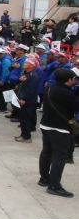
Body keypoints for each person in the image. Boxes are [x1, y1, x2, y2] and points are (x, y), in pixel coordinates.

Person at [39, 68, 79, 197]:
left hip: (45, 125)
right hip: (60, 128)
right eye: (74, 78)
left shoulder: (49, 88)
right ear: (69, 80)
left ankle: (44, 179)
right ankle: (54, 186)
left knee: (46, 152)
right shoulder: (67, 93)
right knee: (59, 157)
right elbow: (75, 107)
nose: (75, 80)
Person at [16, 58, 41, 143]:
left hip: (28, 101)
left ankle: (26, 137)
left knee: (25, 119)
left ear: (32, 66)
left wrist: (24, 99)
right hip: (24, 99)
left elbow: (31, 90)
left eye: (27, 63)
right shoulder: (26, 73)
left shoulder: (32, 76)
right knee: (23, 118)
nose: (24, 64)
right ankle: (23, 134)